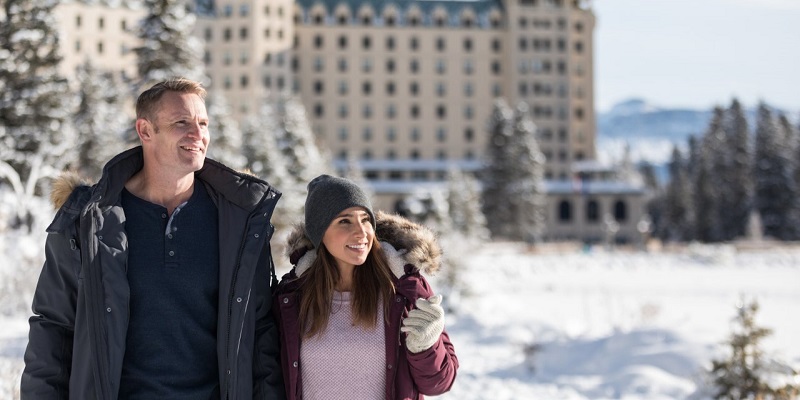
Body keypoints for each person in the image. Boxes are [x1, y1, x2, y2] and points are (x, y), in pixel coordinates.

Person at [20, 78, 285, 399]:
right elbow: (54, 328)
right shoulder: (87, 218)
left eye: (203, 123)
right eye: (181, 122)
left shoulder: (239, 220)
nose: (198, 134)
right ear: (145, 130)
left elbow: (259, 335)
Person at [273, 174, 458, 399]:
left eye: (365, 219)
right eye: (344, 221)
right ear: (319, 232)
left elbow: (439, 384)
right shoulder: (290, 297)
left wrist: (426, 346)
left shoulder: (404, 289)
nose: (361, 232)